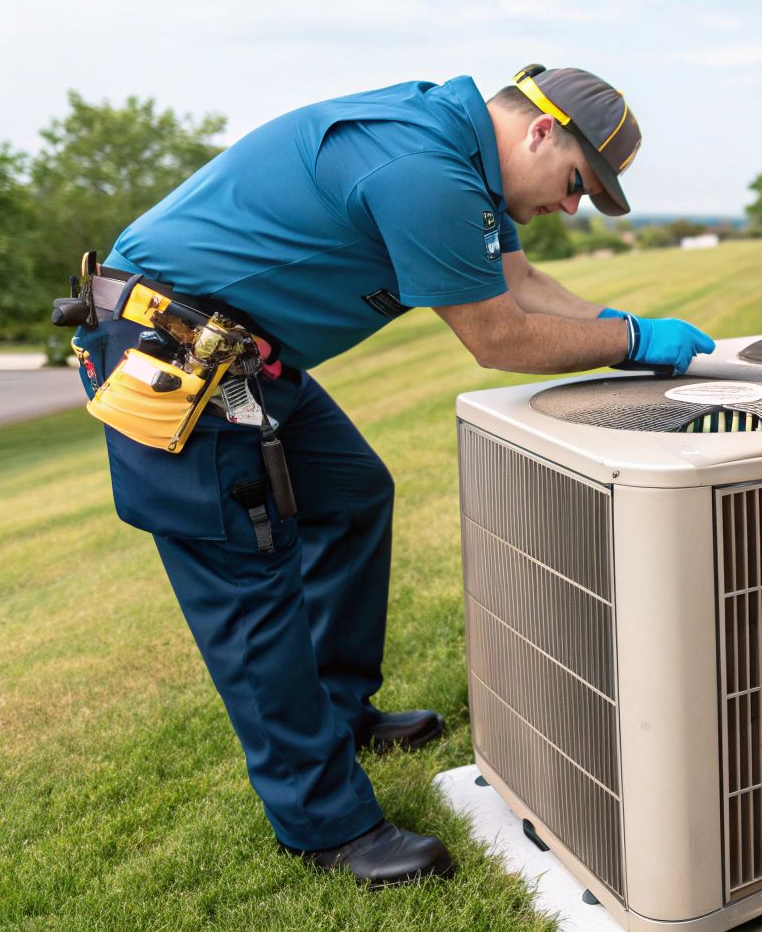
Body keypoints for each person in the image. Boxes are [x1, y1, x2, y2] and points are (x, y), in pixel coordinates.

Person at [67, 65, 714, 887]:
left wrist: (630, 324)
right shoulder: (424, 170)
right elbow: (501, 337)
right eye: (579, 183)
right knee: (247, 582)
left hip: (251, 356)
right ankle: (325, 825)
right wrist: (628, 344)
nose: (572, 206)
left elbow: (522, 285)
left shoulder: (463, 156)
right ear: (541, 131)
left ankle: (338, 711)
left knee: (352, 495)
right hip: (176, 353)